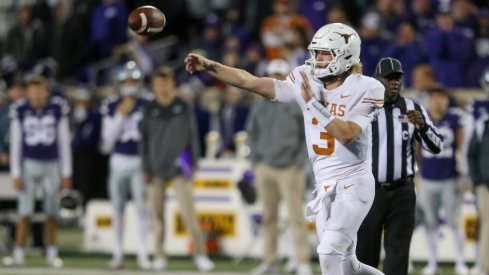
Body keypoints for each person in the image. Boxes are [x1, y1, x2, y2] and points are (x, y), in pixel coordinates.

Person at [185, 22, 385, 275]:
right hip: (324, 186)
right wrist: (212, 66)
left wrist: (312, 103)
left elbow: (346, 134)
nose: (317, 59)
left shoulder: (368, 87)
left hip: (353, 181)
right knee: (349, 264)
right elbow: (252, 82)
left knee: (327, 253)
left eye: (325, 53)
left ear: (345, 55)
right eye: (316, 52)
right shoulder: (306, 78)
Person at [356, 57, 443, 275]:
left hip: (402, 192)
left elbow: (437, 146)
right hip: (369, 191)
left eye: (397, 78)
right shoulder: (362, 107)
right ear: (377, 80)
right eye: (389, 78)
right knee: (365, 254)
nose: (394, 82)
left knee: (398, 254)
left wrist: (422, 127)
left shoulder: (413, 108)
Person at [139, 67, 215, 272]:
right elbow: (143, 141)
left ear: (172, 84)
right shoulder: (149, 108)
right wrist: (145, 167)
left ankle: (200, 255)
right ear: (154, 85)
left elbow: (192, 135)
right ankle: (160, 255)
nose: (163, 87)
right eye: (159, 83)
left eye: (166, 82)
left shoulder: (183, 105)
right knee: (157, 215)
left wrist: (194, 162)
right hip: (155, 168)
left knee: (189, 213)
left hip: (181, 166)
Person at [246, 59, 312, 275]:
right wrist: (257, 162)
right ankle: (270, 261)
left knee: (295, 218)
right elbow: (252, 133)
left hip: (290, 168)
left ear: (286, 77)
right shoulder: (260, 105)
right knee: (269, 218)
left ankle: (302, 261)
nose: (275, 78)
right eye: (272, 74)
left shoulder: (295, 103)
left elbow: (306, 137)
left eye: (279, 74)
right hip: (266, 167)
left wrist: (301, 163)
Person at [3, 75, 72, 268]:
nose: (36, 94)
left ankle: (52, 252)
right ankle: (18, 253)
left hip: (51, 164)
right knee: (24, 211)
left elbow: (63, 143)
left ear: (46, 91)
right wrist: (15, 172)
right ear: (27, 92)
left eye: (39, 90)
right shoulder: (20, 109)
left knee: (52, 211)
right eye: (32, 90)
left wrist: (66, 172)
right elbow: (16, 144)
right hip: (29, 163)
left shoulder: (57, 108)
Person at [100, 61, 151, 270]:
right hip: (119, 161)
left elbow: (151, 136)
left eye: (133, 81)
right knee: (117, 209)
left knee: (142, 209)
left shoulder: (148, 103)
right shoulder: (111, 104)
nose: (130, 84)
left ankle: (143, 254)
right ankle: (118, 253)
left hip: (140, 162)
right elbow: (107, 141)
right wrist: (121, 114)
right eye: (126, 81)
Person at [417, 84, 469, 275]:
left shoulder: (455, 118)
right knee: (429, 223)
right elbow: (417, 149)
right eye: (435, 97)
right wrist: (418, 172)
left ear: (447, 100)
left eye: (442, 97)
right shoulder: (423, 119)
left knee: (454, 223)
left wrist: (462, 173)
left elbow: (461, 149)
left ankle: (460, 262)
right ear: (429, 100)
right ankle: (432, 263)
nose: (438, 101)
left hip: (450, 178)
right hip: (428, 178)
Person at [467, 68, 489, 275]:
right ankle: (484, 268)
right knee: (488, 228)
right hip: (486, 185)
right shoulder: (482, 122)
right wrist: (477, 181)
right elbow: (471, 154)